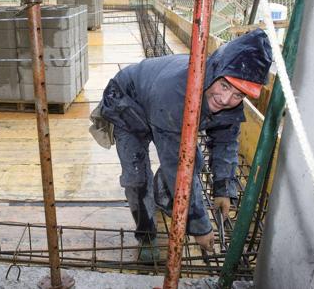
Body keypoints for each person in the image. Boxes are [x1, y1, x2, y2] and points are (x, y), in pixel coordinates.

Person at [93, 29, 272, 261]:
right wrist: (199, 226)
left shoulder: (226, 99)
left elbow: (226, 141)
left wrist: (223, 188)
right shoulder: (177, 95)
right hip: (127, 102)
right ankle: (146, 235)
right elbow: (177, 165)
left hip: (157, 100)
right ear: (214, 71)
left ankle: (162, 196)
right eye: (225, 87)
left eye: (238, 95)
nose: (226, 100)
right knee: (137, 176)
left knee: (194, 160)